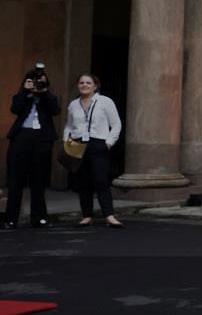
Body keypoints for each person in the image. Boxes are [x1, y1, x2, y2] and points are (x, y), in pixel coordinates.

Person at [63, 74, 124, 229]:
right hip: (77, 144)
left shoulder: (105, 101)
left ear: (95, 86)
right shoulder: (73, 104)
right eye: (81, 82)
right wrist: (66, 142)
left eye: (88, 83)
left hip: (98, 143)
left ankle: (109, 215)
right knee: (82, 182)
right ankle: (87, 216)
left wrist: (108, 143)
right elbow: (69, 125)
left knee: (101, 180)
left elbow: (116, 124)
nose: (84, 85)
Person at [4, 64, 60, 229]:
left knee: (39, 180)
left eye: (41, 81)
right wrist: (25, 91)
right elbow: (15, 109)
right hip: (21, 138)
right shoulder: (22, 95)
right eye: (34, 81)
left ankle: (39, 218)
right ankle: (11, 219)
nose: (37, 84)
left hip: (42, 140)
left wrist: (44, 92)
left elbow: (55, 111)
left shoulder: (49, 97)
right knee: (15, 180)